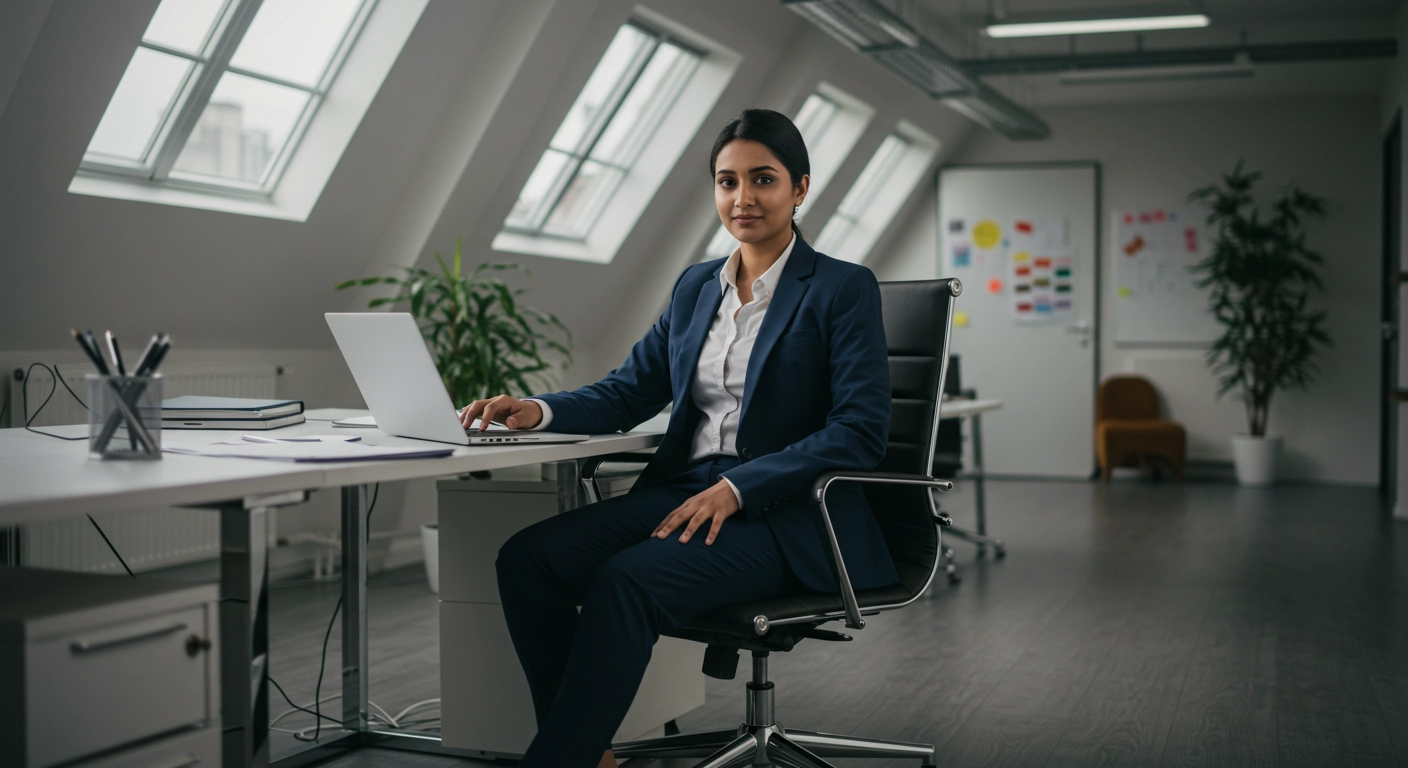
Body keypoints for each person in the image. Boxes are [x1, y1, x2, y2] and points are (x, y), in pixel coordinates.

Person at [458, 108, 896, 768]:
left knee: (625, 581)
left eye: (763, 179)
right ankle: (586, 752)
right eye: (726, 181)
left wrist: (737, 487)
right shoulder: (697, 286)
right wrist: (537, 410)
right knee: (529, 559)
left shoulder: (840, 287)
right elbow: (629, 391)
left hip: (788, 514)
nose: (742, 198)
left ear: (800, 189)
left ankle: (560, 758)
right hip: (686, 488)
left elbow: (860, 432)